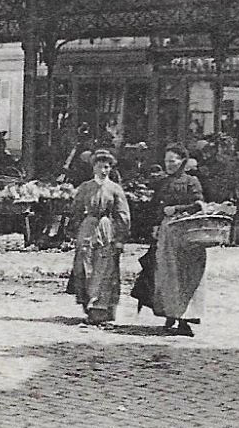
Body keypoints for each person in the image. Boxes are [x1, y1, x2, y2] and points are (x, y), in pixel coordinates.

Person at [132, 143, 206, 336]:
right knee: (167, 274)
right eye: (166, 161)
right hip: (167, 234)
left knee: (186, 275)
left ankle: (185, 319)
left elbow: (199, 205)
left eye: (172, 161)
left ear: (183, 161)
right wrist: (156, 226)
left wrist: (177, 210)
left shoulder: (192, 181)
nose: (169, 165)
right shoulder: (163, 183)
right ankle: (170, 313)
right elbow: (157, 207)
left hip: (188, 233)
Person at [65, 149, 130, 327]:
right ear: (93, 167)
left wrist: (120, 237)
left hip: (106, 227)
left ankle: (102, 308)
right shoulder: (85, 187)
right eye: (100, 166)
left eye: (107, 167)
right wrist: (74, 230)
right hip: (87, 228)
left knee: (105, 268)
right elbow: (75, 211)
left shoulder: (115, 189)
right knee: (84, 265)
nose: (103, 170)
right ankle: (87, 304)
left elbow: (123, 215)